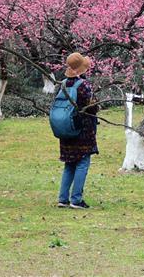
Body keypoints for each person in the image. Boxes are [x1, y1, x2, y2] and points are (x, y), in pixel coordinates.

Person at [57, 52, 98, 210]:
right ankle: (76, 199)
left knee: (69, 163)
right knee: (82, 162)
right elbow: (92, 107)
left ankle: (63, 198)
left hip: (66, 129)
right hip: (82, 130)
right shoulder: (84, 85)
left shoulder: (63, 84)